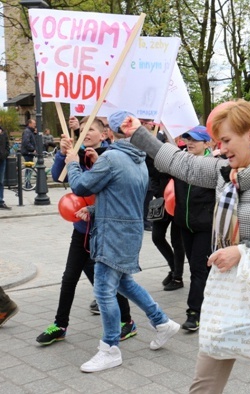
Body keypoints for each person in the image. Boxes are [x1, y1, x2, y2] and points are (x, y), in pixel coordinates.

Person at [123, 100, 250, 393]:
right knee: (205, 380)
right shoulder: (225, 172)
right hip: (230, 291)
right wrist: (139, 133)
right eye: (218, 142)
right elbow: (180, 162)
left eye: (225, 140)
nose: (221, 148)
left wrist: (243, 252)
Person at [65, 111, 180, 373]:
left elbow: (81, 187)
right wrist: (94, 211)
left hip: (113, 235)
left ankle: (110, 348)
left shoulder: (113, 158)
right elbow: (121, 195)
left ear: (108, 133)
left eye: (103, 127)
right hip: (127, 231)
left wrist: (73, 162)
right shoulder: (137, 157)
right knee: (125, 283)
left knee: (104, 291)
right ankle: (162, 322)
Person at [36, 117, 137, 346]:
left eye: (90, 129)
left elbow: (93, 185)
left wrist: (84, 161)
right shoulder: (77, 154)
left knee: (113, 281)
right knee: (69, 277)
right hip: (81, 229)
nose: (85, 133)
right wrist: (63, 155)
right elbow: (56, 176)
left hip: (104, 230)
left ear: (104, 134)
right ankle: (60, 325)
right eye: (82, 130)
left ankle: (127, 321)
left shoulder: (112, 156)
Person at [174, 126, 215, 331]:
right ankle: (210, 301)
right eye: (187, 139)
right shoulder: (180, 161)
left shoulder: (215, 164)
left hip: (205, 227)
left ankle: (194, 313)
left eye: (195, 140)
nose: (190, 143)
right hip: (185, 225)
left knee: (198, 269)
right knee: (197, 268)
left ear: (207, 143)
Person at [149, 129, 185, 291]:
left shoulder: (183, 155)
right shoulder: (156, 157)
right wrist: (158, 193)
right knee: (157, 237)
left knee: (178, 242)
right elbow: (152, 177)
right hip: (162, 203)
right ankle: (173, 268)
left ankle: (178, 277)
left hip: (179, 205)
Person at [0, 126, 11, 210]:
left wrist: (5, 154)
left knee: (1, 181)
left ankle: (1, 201)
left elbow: (7, 144)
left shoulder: (3, 132)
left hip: (2, 159)